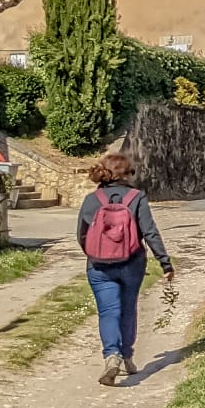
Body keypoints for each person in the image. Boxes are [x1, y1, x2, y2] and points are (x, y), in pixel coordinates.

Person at [76, 152, 173, 386]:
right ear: (127, 174)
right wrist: (164, 262)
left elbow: (81, 234)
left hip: (99, 266)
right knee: (128, 309)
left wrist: (95, 254)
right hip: (132, 263)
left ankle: (111, 356)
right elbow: (149, 232)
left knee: (108, 311)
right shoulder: (136, 197)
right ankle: (127, 356)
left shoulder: (92, 199)